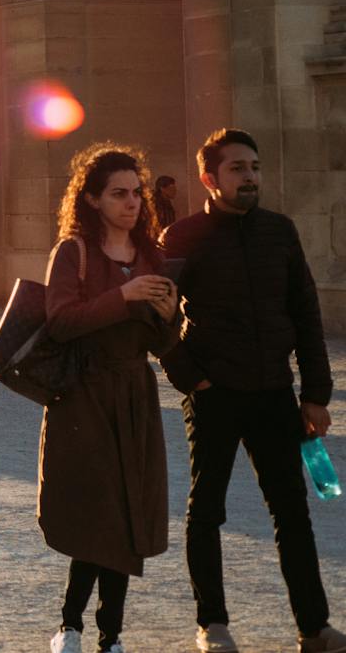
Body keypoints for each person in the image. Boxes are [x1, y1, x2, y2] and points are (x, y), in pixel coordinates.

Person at [161, 128, 344, 653]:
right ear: (209, 179)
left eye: (255, 168)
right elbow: (158, 317)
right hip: (214, 393)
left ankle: (314, 628)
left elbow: (306, 315)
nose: (250, 177)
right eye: (238, 168)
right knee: (207, 510)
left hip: (274, 392)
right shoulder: (183, 237)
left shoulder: (280, 232)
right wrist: (191, 377)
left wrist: (316, 394)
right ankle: (212, 624)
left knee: (292, 512)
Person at [41, 144, 178, 653]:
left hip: (135, 395)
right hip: (83, 396)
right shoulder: (73, 252)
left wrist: (168, 318)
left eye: (136, 193)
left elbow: (162, 346)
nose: (132, 203)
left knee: (125, 515)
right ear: (93, 199)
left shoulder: (151, 256)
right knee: (93, 513)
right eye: (119, 194)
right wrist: (123, 298)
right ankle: (71, 625)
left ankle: (110, 635)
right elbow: (60, 322)